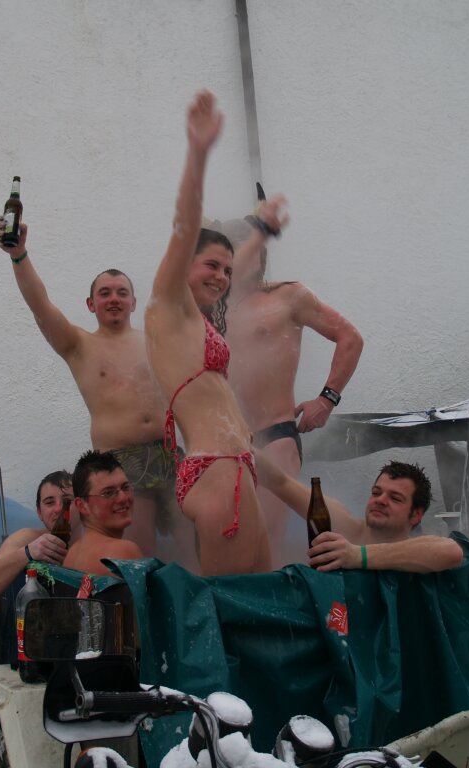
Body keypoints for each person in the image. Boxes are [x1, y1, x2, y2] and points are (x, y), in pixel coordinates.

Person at [0, 216, 197, 570]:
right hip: (121, 462)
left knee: (192, 545)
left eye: (121, 293)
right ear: (91, 304)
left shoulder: (156, 343)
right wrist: (19, 255)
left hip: (169, 454)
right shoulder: (79, 345)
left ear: (134, 303)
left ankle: (196, 598)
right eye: (105, 293)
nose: (114, 299)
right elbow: (40, 305)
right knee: (139, 555)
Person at [144, 90, 271, 576]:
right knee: (231, 604)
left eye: (227, 269)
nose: (221, 276)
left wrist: (263, 232)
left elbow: (235, 268)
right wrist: (197, 155)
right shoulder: (168, 304)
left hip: (237, 466)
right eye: (211, 265)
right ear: (185, 265)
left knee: (262, 598)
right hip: (214, 467)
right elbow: (184, 227)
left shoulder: (196, 319)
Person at [220, 214, 363, 567]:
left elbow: (350, 338)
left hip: (275, 434)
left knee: (267, 531)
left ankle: (273, 597)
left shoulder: (287, 296)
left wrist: (326, 400)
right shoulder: (215, 309)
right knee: (232, 535)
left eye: (255, 247)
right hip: (230, 441)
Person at [255, 451, 463, 573]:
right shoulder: (347, 528)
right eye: (376, 492)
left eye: (395, 498)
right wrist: (243, 442)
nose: (381, 500)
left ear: (416, 515)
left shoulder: (418, 550)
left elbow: (453, 552)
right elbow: (281, 482)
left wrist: (357, 555)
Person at [0, 470, 74, 600]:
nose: (58, 509)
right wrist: (28, 552)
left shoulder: (92, 541)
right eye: (49, 502)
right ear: (39, 513)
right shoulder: (29, 538)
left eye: (67, 501)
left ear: (82, 506)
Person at [63, 450, 144, 576]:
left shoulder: (71, 555)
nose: (123, 498)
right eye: (108, 493)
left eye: (125, 487)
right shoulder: (124, 551)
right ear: (82, 506)